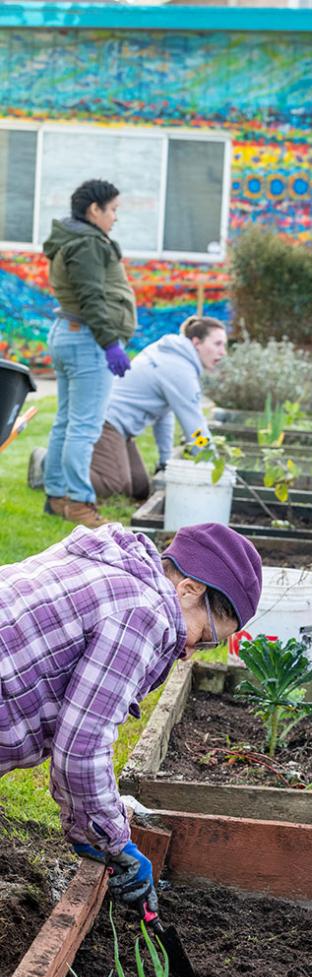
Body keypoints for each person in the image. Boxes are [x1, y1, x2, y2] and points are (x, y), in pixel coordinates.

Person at [0, 521, 262, 915]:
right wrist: (115, 841)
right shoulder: (144, 615)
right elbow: (81, 749)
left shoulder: (112, 566)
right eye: (205, 635)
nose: (191, 652)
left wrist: (88, 825)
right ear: (188, 590)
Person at [41, 178, 136, 529]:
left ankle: (57, 497)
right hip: (87, 340)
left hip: (70, 333)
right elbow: (92, 297)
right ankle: (80, 503)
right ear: (93, 209)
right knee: (83, 427)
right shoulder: (87, 244)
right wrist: (110, 343)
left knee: (66, 422)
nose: (114, 218)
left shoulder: (73, 239)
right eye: (112, 210)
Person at [86, 316, 227, 501]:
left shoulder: (174, 356)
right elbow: (195, 429)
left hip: (121, 430)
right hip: (106, 423)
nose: (223, 352)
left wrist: (165, 460)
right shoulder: (179, 369)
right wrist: (213, 467)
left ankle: (84, 461)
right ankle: (54, 467)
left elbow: (164, 416)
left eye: (224, 345)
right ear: (197, 342)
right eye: (217, 344)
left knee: (139, 488)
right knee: (116, 486)